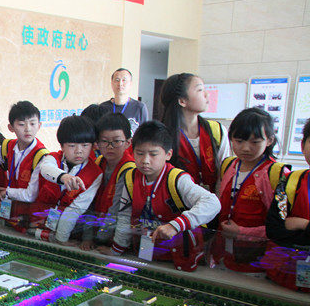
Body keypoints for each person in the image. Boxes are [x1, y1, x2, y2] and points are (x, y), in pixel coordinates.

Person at [101, 121, 221, 271]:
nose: (145, 160)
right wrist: (116, 250)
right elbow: (125, 216)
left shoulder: (177, 179)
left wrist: (176, 225)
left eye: (153, 154)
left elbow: (213, 202)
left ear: (168, 154)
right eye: (140, 153)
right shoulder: (130, 178)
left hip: (180, 256)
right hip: (147, 251)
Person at [211, 108, 288, 272]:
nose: (246, 148)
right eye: (239, 141)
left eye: (255, 142)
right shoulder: (228, 166)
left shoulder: (278, 174)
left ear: (269, 140)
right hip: (224, 258)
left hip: (259, 263)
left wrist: (241, 232)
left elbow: (282, 227)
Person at [0, 100, 49, 232]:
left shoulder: (41, 156)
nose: (28, 129)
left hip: (30, 220)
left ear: (39, 125)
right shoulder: (7, 146)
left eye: (32, 123)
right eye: (21, 124)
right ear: (11, 127)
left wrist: (6, 192)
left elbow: (31, 195)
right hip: (10, 215)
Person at [36, 115, 103, 244]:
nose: (79, 151)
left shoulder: (95, 174)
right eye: (72, 146)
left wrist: (61, 239)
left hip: (68, 231)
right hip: (38, 221)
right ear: (62, 146)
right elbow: (45, 168)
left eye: (85, 145)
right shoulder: (53, 158)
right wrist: (64, 177)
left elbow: (75, 210)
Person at [159, 72, 230, 191]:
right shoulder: (162, 136)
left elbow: (224, 175)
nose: (207, 94)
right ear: (182, 101)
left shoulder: (217, 130)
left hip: (212, 199)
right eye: (200, 90)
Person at [264, 121, 310, 292]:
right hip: (283, 277)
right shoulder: (290, 181)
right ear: (303, 145)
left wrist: (303, 224)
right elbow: (274, 229)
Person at [82, 113, 135, 249]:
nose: (110, 147)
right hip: (96, 233)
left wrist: (100, 238)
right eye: (104, 141)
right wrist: (87, 237)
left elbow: (116, 211)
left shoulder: (129, 170)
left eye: (116, 141)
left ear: (128, 142)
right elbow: (88, 202)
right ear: (97, 143)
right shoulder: (98, 162)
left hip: (115, 240)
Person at [99, 68, 148, 133]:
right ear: (112, 83)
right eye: (117, 80)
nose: (120, 83)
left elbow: (145, 134)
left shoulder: (139, 107)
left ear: (130, 84)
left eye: (124, 80)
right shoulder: (102, 107)